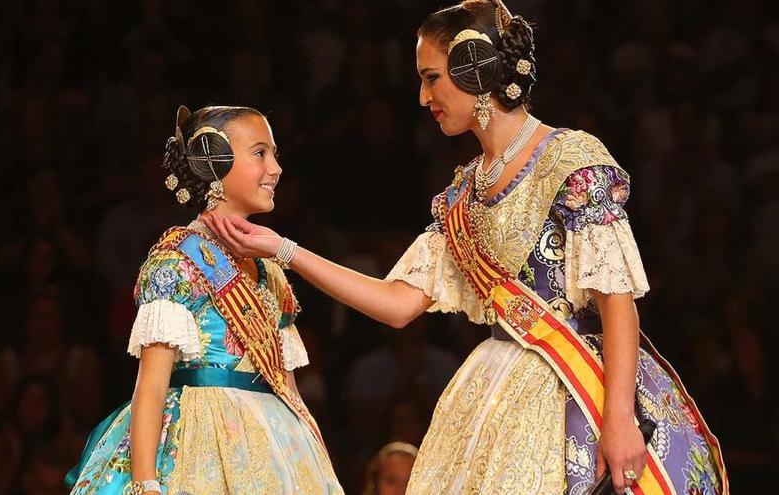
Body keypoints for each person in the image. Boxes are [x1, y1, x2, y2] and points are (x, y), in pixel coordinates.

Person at [202, 1, 728, 493]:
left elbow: (617, 300)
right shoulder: (462, 195)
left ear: (475, 71)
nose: (423, 98)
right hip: (495, 391)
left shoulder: (572, 159)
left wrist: (619, 418)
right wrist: (284, 249)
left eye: (431, 79)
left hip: (580, 392)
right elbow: (398, 303)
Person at [66, 105, 343, 494]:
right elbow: (150, 386)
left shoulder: (270, 268)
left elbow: (288, 386)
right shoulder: (177, 260)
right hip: (197, 441)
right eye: (260, 153)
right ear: (215, 162)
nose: (276, 168)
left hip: (276, 446)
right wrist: (146, 484)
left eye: (275, 155)